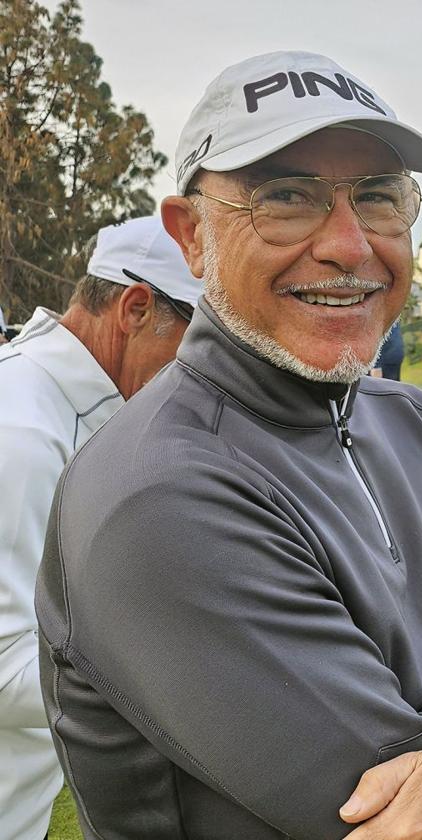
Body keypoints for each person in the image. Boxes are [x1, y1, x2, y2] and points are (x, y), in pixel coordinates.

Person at [36, 51, 422, 840]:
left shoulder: (413, 422)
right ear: (191, 237)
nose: (348, 244)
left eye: (377, 197)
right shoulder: (160, 495)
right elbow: (397, 808)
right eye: (286, 198)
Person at [1, 216, 199, 840]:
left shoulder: (63, 403)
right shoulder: (25, 431)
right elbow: (5, 664)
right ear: (135, 308)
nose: (197, 380)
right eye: (194, 351)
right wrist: (185, 685)